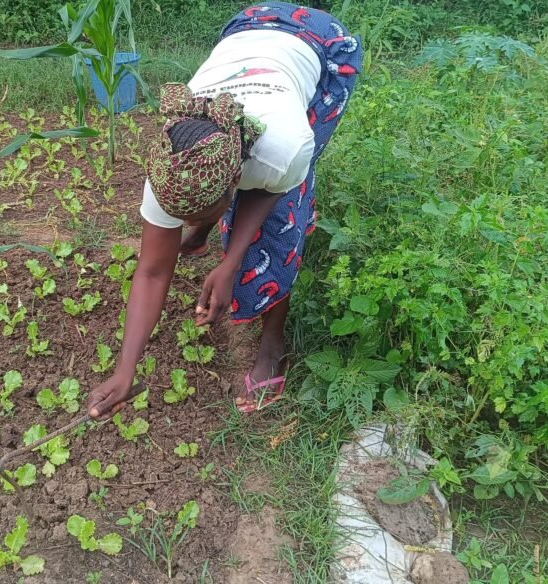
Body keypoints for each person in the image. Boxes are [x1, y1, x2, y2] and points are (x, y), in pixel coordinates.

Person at [87, 2, 362, 418]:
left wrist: (231, 264)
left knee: (282, 221)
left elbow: (270, 192)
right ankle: (201, 235)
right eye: (181, 217)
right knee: (224, 216)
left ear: (233, 181)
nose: (181, 218)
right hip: (251, 21)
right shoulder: (168, 167)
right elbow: (151, 270)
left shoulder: (285, 147)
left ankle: (272, 346)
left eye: (200, 215)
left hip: (322, 44)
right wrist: (125, 369)